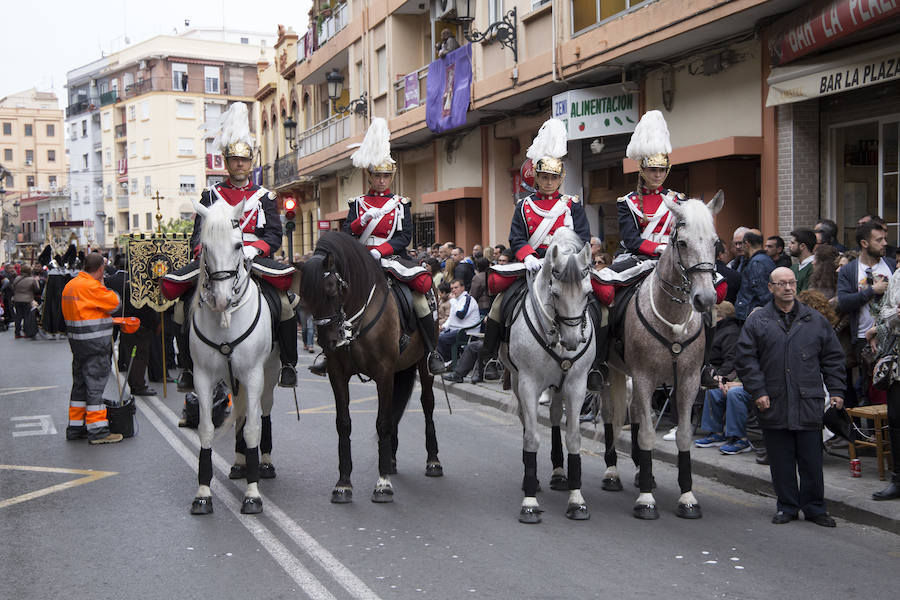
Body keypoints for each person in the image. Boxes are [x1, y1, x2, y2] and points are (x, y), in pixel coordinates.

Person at [163, 102, 298, 389]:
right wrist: (207, 255)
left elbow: (275, 234)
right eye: (234, 159)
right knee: (181, 305)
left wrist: (255, 248)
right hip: (217, 261)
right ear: (226, 161)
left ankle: (288, 364)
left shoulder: (265, 197)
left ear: (251, 163)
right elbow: (197, 237)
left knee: (285, 304)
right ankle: (187, 368)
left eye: (244, 160)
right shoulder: (210, 195)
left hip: (254, 258)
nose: (239, 164)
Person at [312, 117, 444, 375]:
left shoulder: (401, 203)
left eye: (386, 176)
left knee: (420, 297)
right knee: (332, 292)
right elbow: (346, 233)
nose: (382, 180)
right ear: (369, 176)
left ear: (391, 176)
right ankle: (330, 353)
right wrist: (362, 221)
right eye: (377, 176)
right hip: (359, 261)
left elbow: (404, 237)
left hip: (392, 259)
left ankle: (431, 351)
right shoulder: (357, 203)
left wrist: (381, 250)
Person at [603, 109, 725, 387]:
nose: (656, 175)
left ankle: (705, 364)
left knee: (712, 299)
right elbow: (631, 239)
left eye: (661, 170)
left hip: (677, 262)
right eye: (651, 169)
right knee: (610, 299)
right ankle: (605, 355)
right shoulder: (628, 201)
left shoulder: (679, 200)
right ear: (642, 170)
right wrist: (658, 249)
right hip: (638, 260)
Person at [478, 118, 603, 389]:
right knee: (501, 303)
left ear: (561, 178)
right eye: (544, 177)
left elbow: (582, 238)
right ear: (536, 177)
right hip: (533, 267)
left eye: (553, 178)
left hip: (566, 268)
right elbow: (516, 237)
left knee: (597, 305)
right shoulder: (524, 207)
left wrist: (570, 259)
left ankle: (598, 364)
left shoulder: (572, 205)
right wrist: (528, 256)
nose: (548, 182)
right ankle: (490, 356)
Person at [736, 267, 845, 526]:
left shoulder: (815, 320)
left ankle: (815, 507)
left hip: (808, 400)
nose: (788, 288)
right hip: (772, 400)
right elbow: (746, 360)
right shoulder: (758, 320)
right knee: (781, 459)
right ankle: (786, 506)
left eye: (791, 283)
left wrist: (838, 391)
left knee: (811, 459)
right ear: (771, 288)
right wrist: (758, 391)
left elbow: (833, 358)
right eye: (781, 284)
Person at [61, 252, 124, 444]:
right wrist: (103, 285)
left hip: (77, 343)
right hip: (95, 343)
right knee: (95, 386)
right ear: (101, 269)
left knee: (80, 385)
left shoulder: (71, 285)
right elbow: (115, 303)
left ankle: (75, 427)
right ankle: (98, 431)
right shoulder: (92, 286)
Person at [836, 220, 894, 395]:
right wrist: (871, 291)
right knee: (869, 388)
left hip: (892, 334)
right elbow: (844, 302)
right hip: (863, 337)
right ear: (864, 243)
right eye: (879, 240)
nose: (885, 243)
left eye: (885, 238)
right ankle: (870, 423)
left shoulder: (891, 265)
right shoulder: (850, 271)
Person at [105, 255, 159, 396]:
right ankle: (138, 385)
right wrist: (155, 324)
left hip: (116, 319)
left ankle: (128, 376)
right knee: (139, 356)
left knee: (129, 352)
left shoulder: (109, 280)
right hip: (138, 323)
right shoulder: (139, 281)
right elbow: (147, 306)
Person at [870, 267, 900, 500]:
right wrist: (896, 314)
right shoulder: (899, 276)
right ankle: (898, 479)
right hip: (897, 362)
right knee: (896, 420)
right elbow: (884, 314)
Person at [734, 230, 776, 322]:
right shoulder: (764, 260)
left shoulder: (757, 263)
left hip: (752, 317)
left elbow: (763, 294)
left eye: (742, 244)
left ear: (747, 244)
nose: (740, 247)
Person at [437, 279, 481, 362]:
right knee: (437, 336)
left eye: (456, 287)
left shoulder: (468, 299)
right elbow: (452, 318)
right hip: (458, 330)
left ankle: (451, 360)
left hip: (468, 332)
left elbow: (460, 315)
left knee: (441, 339)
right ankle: (451, 360)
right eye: (452, 288)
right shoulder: (457, 300)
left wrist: (452, 301)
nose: (453, 290)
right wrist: (443, 327)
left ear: (462, 288)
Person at [12, 264, 40, 338]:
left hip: (17, 299)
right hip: (27, 300)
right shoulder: (32, 279)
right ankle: (26, 332)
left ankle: (17, 333)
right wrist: (37, 281)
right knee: (27, 316)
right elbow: (37, 289)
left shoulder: (17, 278)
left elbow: (13, 287)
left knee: (18, 316)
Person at [788, 228, 816, 292]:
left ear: (802, 246)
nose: (789, 245)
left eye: (792, 243)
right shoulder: (793, 267)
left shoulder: (813, 267)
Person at [715, 240, 741, 304]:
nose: (728, 255)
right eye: (726, 253)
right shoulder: (734, 275)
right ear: (720, 255)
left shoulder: (699, 274)